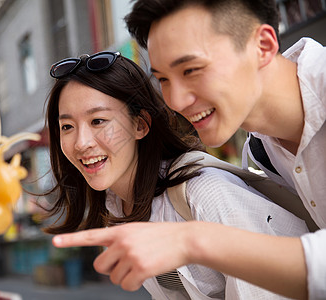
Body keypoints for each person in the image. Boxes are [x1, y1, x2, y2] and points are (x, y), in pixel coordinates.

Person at [52, 1, 326, 299]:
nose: (176, 101)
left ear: (262, 45)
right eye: (163, 79)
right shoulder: (261, 150)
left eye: (192, 69)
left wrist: (196, 241)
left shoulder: (204, 189)